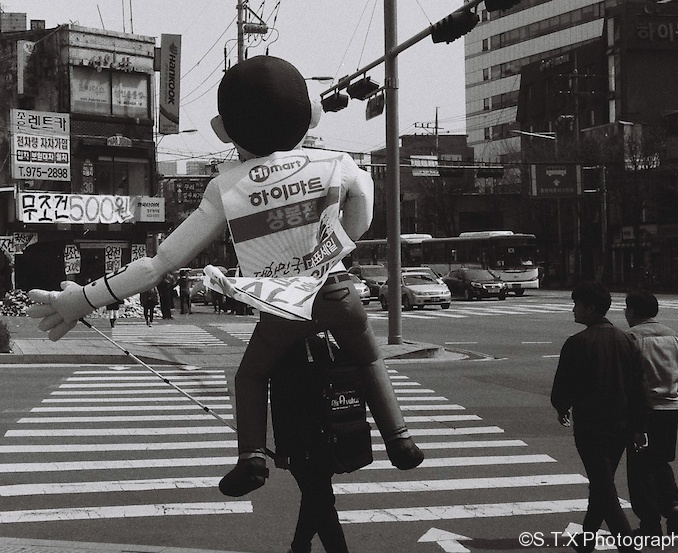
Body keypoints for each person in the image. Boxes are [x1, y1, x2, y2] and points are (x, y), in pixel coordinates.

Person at [26, 55, 422, 499]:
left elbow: (158, 264)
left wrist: (84, 298)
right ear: (309, 114)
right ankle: (400, 440)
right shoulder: (339, 164)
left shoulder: (226, 187)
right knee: (368, 357)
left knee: (251, 376)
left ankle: (251, 459)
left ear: (227, 129)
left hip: (282, 307)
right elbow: (360, 221)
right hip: (338, 293)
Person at [551, 281, 651, 553]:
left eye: (577, 304)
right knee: (602, 482)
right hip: (622, 424)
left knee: (604, 487)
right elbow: (639, 387)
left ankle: (626, 545)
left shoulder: (577, 343)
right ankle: (586, 540)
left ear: (591, 308)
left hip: (590, 425)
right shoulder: (626, 341)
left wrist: (562, 407)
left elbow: (563, 386)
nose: (573, 309)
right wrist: (640, 426)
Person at [270, 335, 354, 553]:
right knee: (320, 498)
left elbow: (280, 405)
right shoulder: (326, 346)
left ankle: (299, 548)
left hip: (302, 443)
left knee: (318, 498)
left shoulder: (284, 351)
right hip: (328, 437)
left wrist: (282, 449)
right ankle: (301, 547)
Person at [624, 290, 678, 536]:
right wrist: (676, 397)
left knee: (639, 467)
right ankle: (672, 504)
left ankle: (650, 523)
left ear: (632, 311)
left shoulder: (631, 337)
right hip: (671, 407)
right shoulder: (674, 336)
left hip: (643, 410)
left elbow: (628, 380)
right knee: (660, 460)